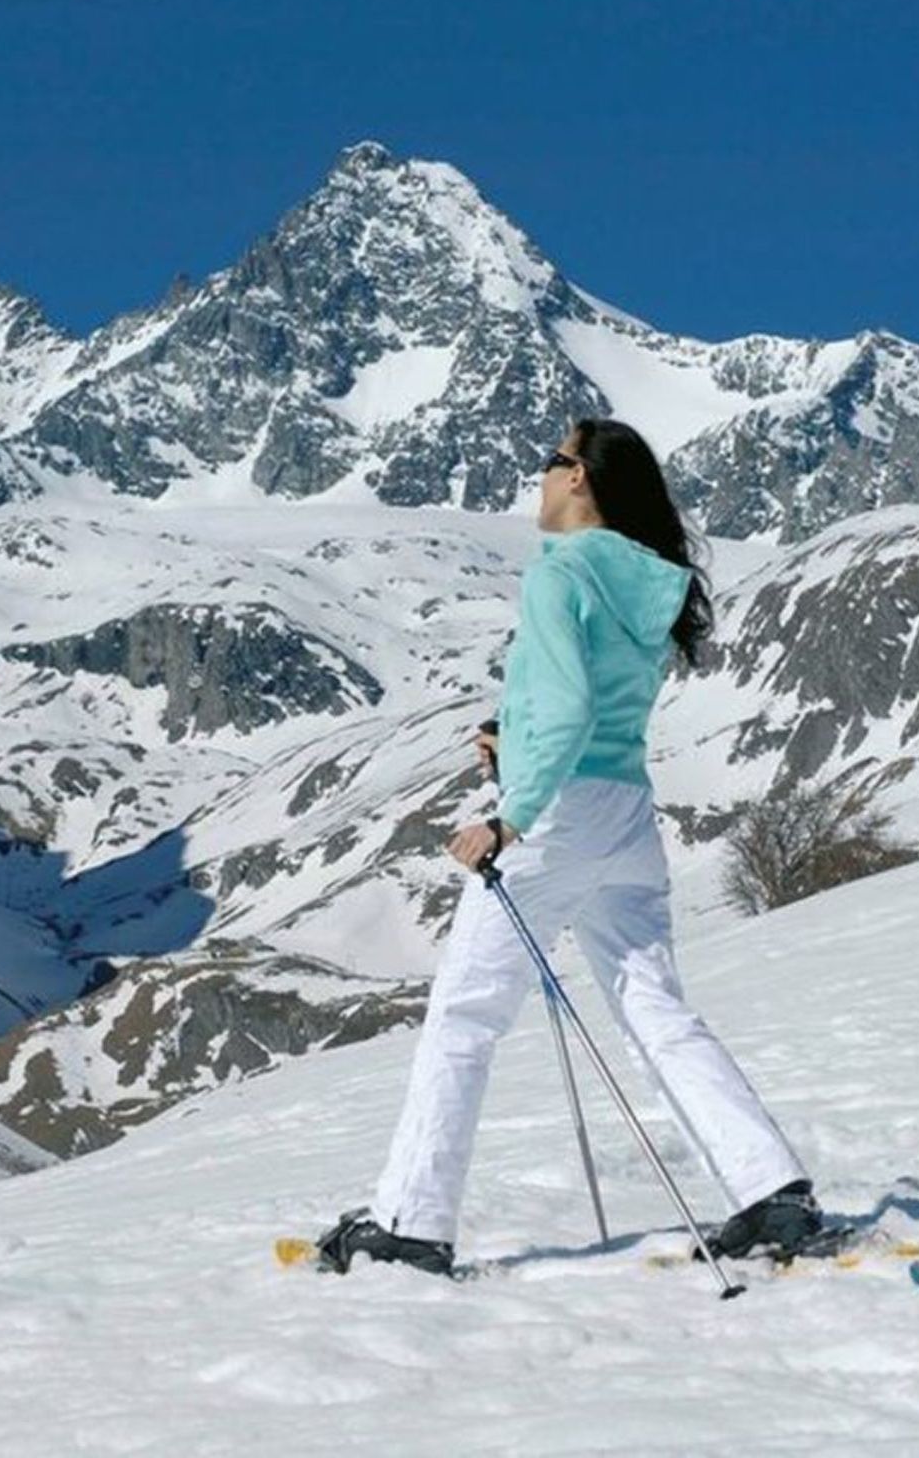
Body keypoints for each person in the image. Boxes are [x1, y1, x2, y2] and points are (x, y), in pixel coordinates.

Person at [318, 417, 819, 1275]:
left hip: (553, 817)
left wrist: (511, 814)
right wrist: (514, 741)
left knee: (465, 1016)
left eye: (551, 461)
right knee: (654, 1006)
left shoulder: (560, 575)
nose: (540, 476)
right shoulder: (648, 582)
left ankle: (412, 1221)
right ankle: (769, 1188)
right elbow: (593, 707)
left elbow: (568, 710)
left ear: (581, 477)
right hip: (625, 813)